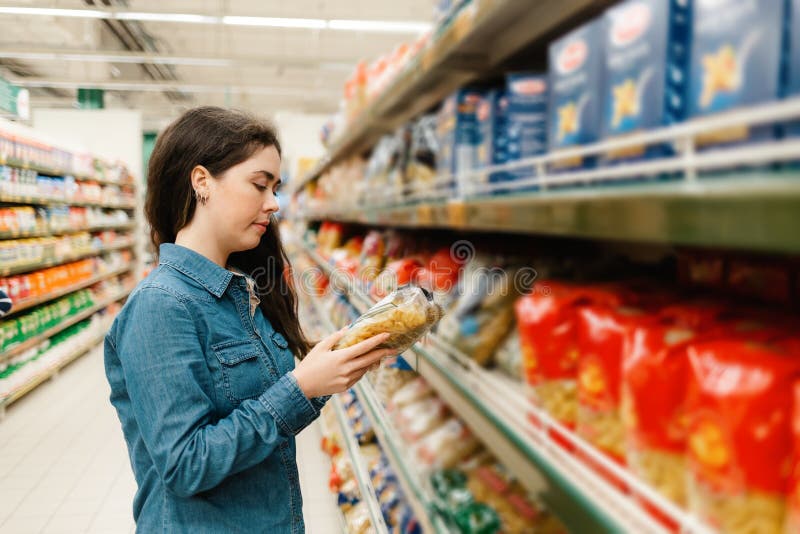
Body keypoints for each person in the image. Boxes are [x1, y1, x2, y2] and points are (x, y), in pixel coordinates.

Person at [104, 106, 391, 533]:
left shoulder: (241, 290)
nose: (274, 203)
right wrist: (301, 388)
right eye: (259, 185)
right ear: (202, 181)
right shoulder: (161, 306)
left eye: (276, 187)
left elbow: (261, 407)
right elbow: (185, 465)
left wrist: (334, 367)